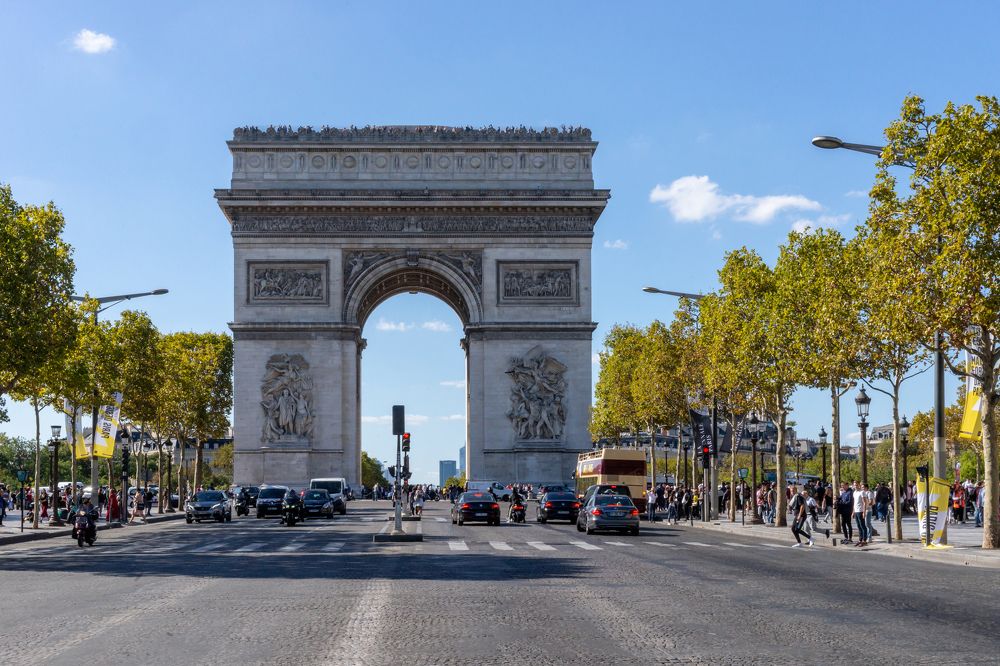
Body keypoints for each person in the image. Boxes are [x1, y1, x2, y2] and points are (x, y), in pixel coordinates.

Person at [852, 481, 869, 547]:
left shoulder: (862, 492)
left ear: (859, 485)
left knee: (863, 526)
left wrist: (864, 512)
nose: (855, 486)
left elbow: (864, 502)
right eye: (854, 485)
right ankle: (860, 539)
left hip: (860, 511)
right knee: (858, 526)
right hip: (856, 511)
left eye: (856, 485)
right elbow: (854, 503)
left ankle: (864, 540)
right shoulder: (854, 492)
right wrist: (853, 512)